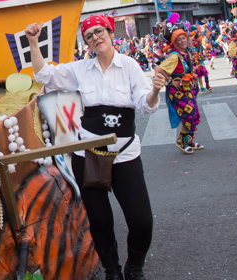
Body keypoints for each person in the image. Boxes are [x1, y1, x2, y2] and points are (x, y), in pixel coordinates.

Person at [28, 15, 163, 280]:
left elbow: (145, 105)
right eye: (89, 36)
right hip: (88, 156)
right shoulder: (80, 69)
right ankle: (112, 271)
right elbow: (45, 74)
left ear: (111, 33)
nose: (95, 38)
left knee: (141, 220)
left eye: (99, 31)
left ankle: (134, 268)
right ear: (87, 43)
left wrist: (155, 91)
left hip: (125, 155)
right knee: (100, 221)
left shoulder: (130, 66)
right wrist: (34, 42)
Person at [156, 20, 205, 154]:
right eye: (179, 40)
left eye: (184, 38)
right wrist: (171, 80)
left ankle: (188, 140)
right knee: (189, 113)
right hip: (177, 90)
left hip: (187, 87)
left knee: (194, 114)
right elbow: (159, 70)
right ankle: (181, 141)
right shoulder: (174, 55)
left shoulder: (186, 52)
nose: (182, 41)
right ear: (174, 42)